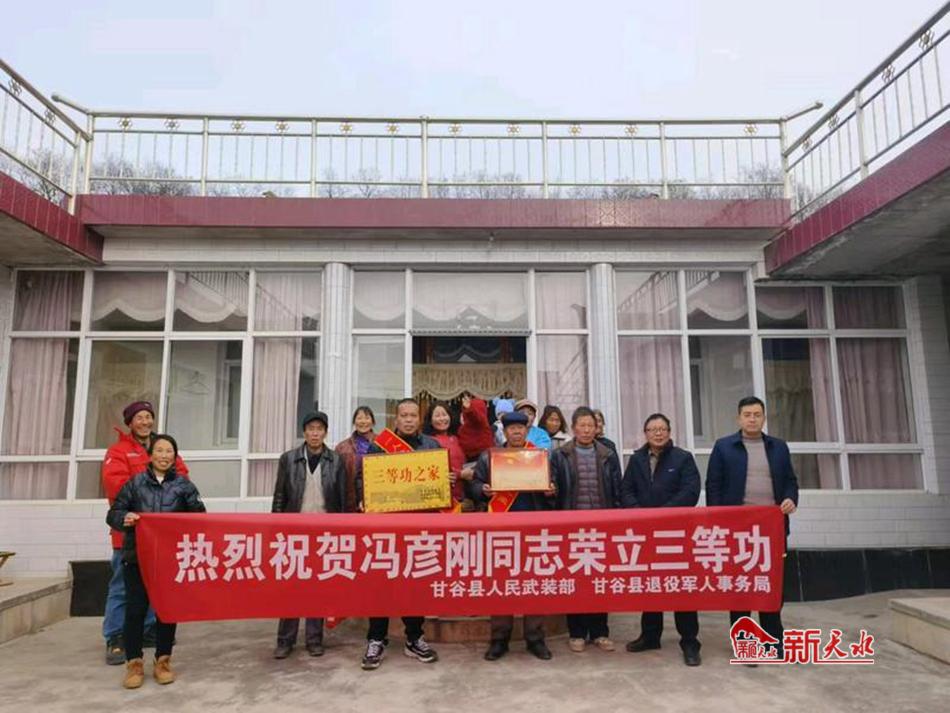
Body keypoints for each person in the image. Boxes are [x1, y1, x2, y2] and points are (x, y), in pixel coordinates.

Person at [105, 434, 205, 689]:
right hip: (137, 558)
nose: (164, 455)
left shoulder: (184, 486)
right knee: (135, 610)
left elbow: (199, 517)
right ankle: (134, 663)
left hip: (170, 560)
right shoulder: (134, 484)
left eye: (169, 451)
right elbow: (113, 513)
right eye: (159, 450)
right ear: (150, 455)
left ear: (175, 456)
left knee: (166, 610)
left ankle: (163, 660)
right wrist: (124, 518)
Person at [706, 396, 799, 658]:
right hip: (738, 530)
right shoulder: (724, 447)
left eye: (757, 414)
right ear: (739, 418)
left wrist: (791, 498)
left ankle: (773, 640)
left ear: (764, 418)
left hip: (772, 529)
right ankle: (744, 644)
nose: (752, 419)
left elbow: (791, 481)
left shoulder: (778, 447)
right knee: (742, 587)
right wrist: (719, 522)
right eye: (747, 414)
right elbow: (713, 485)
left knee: (771, 585)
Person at [100, 400, 189, 666]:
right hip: (130, 536)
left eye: (148, 417)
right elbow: (116, 488)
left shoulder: (163, 447)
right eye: (139, 417)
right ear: (130, 422)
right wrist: (150, 495)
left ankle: (149, 629)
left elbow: (183, 480)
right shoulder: (118, 451)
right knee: (123, 587)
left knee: (156, 585)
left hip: (162, 538)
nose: (145, 422)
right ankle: (115, 636)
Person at [472, 410, 564, 661]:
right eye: (511, 429)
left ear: (527, 430)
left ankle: (535, 638)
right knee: (501, 584)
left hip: (534, 528)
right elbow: (475, 485)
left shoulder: (539, 456)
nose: (516, 432)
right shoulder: (490, 457)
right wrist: (482, 490)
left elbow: (554, 485)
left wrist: (551, 490)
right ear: (504, 432)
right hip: (501, 529)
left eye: (520, 428)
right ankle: (499, 639)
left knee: (533, 583)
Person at [359, 398, 441, 670]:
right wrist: (364, 498)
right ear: (396, 419)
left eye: (413, 415)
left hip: (418, 530)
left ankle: (414, 638)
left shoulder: (432, 446)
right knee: (381, 583)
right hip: (386, 529)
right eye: (403, 415)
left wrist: (445, 482)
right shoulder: (379, 446)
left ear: (419, 419)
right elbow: (363, 479)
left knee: (414, 585)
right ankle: (376, 639)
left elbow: (440, 487)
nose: (408, 420)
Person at [621, 413, 702, 666]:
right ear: (645, 433)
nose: (658, 433)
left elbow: (690, 492)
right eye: (652, 429)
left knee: (681, 587)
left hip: (676, 533)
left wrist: (663, 515)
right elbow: (626, 491)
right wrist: (641, 514)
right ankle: (650, 636)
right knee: (651, 584)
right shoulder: (636, 459)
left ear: (669, 432)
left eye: (662, 429)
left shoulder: (683, 458)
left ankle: (689, 641)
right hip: (646, 532)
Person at [272, 411, 349, 659]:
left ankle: (314, 639)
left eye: (319, 429)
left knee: (317, 587)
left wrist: (343, 531)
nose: (315, 433)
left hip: (325, 533)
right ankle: (285, 640)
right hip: (294, 532)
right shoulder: (288, 459)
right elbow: (280, 496)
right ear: (304, 432)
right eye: (311, 429)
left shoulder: (336, 460)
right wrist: (276, 528)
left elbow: (343, 498)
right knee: (291, 587)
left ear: (325, 433)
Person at [555, 406, 622, 652]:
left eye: (590, 425)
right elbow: (555, 490)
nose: (586, 430)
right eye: (581, 425)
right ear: (573, 428)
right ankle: (577, 632)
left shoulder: (608, 454)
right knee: (574, 579)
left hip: (601, 525)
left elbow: (617, 489)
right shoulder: (560, 455)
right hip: (572, 526)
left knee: (600, 579)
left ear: (597, 428)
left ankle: (600, 632)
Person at [423, 400, 475, 507]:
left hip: (463, 496)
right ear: (430, 420)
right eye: (437, 416)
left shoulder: (456, 438)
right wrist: (460, 474)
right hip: (442, 498)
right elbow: (432, 469)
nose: (442, 419)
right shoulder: (427, 442)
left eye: (444, 414)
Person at [334, 405, 377, 513]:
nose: (363, 421)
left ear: (373, 422)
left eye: (367, 418)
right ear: (354, 422)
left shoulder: (382, 443)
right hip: (350, 500)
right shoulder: (342, 447)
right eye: (359, 418)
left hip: (376, 498)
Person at [457, 393, 495, 462]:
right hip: (469, 457)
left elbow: (476, 417)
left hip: (481, 455)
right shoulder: (464, 428)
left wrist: (469, 410)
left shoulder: (481, 424)